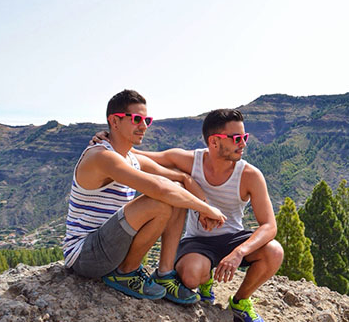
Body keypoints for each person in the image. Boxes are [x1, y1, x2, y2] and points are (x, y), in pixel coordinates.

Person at [63, 89, 226, 305]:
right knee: (161, 200)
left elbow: (181, 179)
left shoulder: (130, 157)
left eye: (147, 119)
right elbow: (159, 189)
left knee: (175, 189)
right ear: (115, 121)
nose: (144, 126)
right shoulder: (101, 157)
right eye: (137, 119)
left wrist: (202, 205)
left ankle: (165, 274)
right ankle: (126, 272)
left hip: (111, 246)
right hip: (86, 255)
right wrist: (206, 210)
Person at [133, 109, 283, 322]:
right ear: (214, 141)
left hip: (233, 239)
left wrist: (239, 252)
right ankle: (205, 280)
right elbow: (138, 156)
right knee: (192, 276)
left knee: (274, 251)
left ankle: (241, 301)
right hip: (197, 241)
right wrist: (107, 140)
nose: (242, 144)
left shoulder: (250, 175)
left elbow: (269, 226)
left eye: (245, 138)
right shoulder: (189, 161)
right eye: (236, 139)